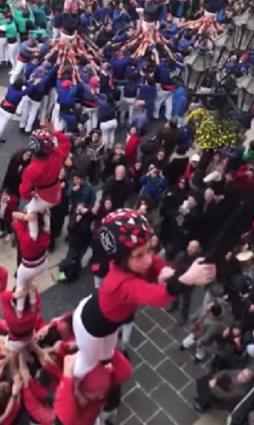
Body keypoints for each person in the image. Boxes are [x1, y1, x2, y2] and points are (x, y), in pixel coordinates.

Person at [71, 209, 215, 379]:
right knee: (85, 363)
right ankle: (72, 380)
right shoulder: (121, 283)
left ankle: (104, 365)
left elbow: (156, 263)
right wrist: (186, 280)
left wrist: (165, 270)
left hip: (107, 321)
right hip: (91, 327)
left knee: (108, 351)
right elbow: (158, 297)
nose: (148, 258)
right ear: (122, 258)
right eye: (139, 255)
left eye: (149, 249)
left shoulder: (132, 263)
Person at [19, 123, 71, 240]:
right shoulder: (57, 154)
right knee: (45, 210)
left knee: (30, 209)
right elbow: (66, 143)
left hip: (44, 195)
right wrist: (55, 131)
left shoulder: (32, 169)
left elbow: (24, 191)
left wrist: (31, 195)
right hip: (56, 191)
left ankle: (33, 237)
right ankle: (47, 229)